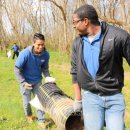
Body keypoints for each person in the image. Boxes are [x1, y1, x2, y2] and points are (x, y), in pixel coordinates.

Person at [71, 4, 130, 130]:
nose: (74, 25)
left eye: (75, 22)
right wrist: (78, 99)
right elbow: (75, 71)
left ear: (85, 21)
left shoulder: (119, 36)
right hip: (90, 98)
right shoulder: (77, 43)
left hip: (113, 97)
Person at [14, 33, 52, 130]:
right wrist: (23, 82)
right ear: (33, 43)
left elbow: (45, 68)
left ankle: (41, 120)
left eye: (42, 44)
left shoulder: (46, 54)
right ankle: (29, 115)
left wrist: (48, 78)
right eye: (38, 44)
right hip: (26, 82)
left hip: (37, 81)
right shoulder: (25, 53)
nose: (41, 47)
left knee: (39, 101)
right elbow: (17, 69)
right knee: (27, 103)